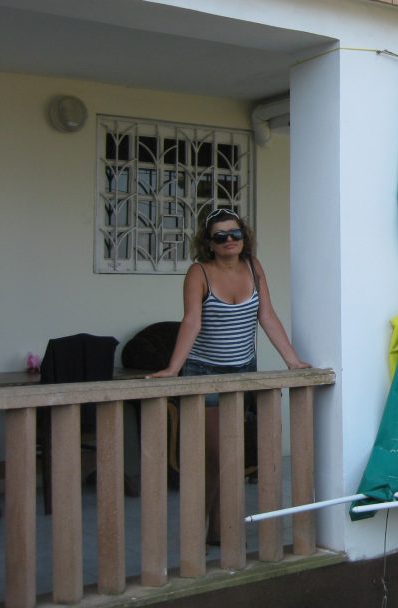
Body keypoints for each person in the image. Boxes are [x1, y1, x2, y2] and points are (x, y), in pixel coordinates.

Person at [148, 207, 310, 543]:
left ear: (244, 236)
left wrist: (292, 360)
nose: (229, 240)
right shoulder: (199, 273)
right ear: (208, 242)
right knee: (217, 456)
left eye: (234, 233)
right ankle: (207, 528)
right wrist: (173, 369)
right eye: (220, 236)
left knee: (228, 456)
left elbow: (267, 316)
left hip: (242, 371)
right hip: (204, 372)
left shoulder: (253, 267)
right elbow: (191, 321)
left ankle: (215, 529)